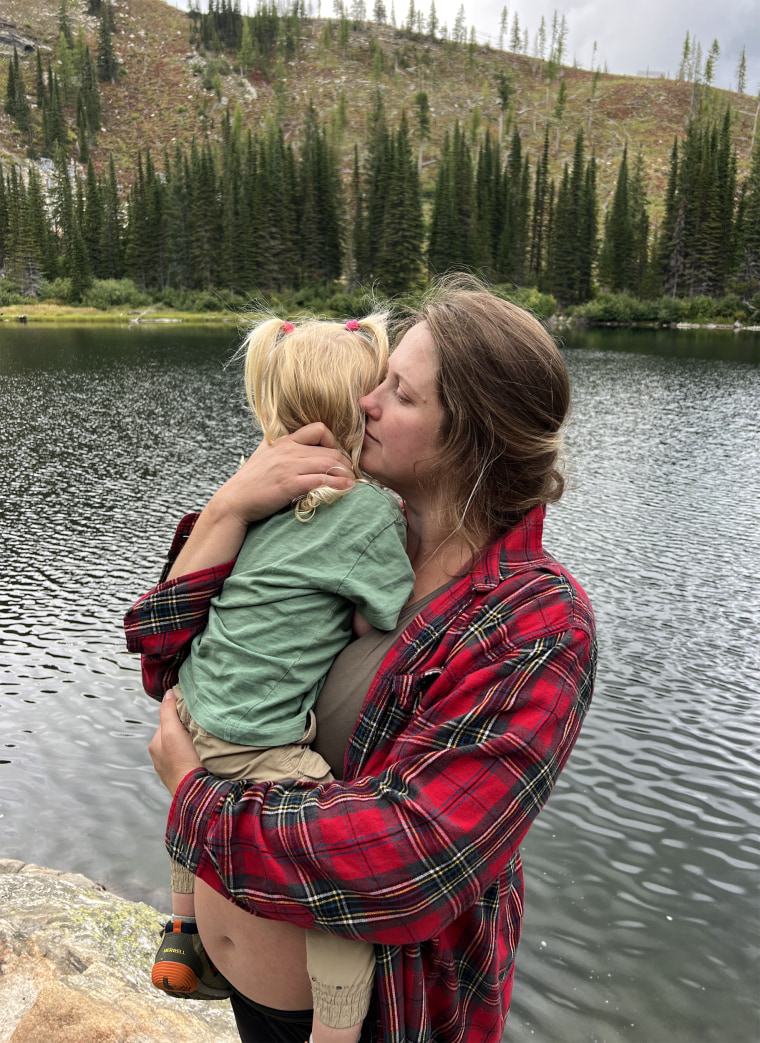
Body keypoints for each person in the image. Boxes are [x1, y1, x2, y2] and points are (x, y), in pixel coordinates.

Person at [129, 278, 597, 1043]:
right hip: (248, 985)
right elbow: (167, 662)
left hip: (378, 1020)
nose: (365, 403)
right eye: (379, 379)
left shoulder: (534, 624)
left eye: (400, 394)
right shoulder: (329, 518)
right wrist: (227, 508)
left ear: (471, 438)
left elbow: (404, 860)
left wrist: (193, 797)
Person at [127, 314, 415, 1043]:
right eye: (384, 387)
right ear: (363, 411)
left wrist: (230, 505)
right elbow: (383, 603)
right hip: (255, 742)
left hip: (192, 706)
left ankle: (183, 929)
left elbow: (161, 651)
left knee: (191, 783)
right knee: (344, 880)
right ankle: (337, 1028)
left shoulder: (263, 504)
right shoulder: (368, 511)